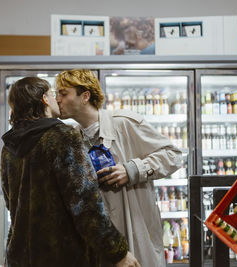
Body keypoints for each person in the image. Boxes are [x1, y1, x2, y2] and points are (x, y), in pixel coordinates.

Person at [0, 77, 140, 267]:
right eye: (52, 94)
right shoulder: (62, 136)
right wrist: (117, 252)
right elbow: (85, 204)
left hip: (20, 255)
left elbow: (11, 204)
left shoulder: (9, 146)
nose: (57, 99)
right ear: (44, 99)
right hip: (63, 256)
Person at [55, 69, 183, 267]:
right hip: (99, 247)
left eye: (63, 93)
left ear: (85, 96)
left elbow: (173, 155)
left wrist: (132, 170)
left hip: (136, 238)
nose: (57, 100)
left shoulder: (124, 123)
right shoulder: (71, 138)